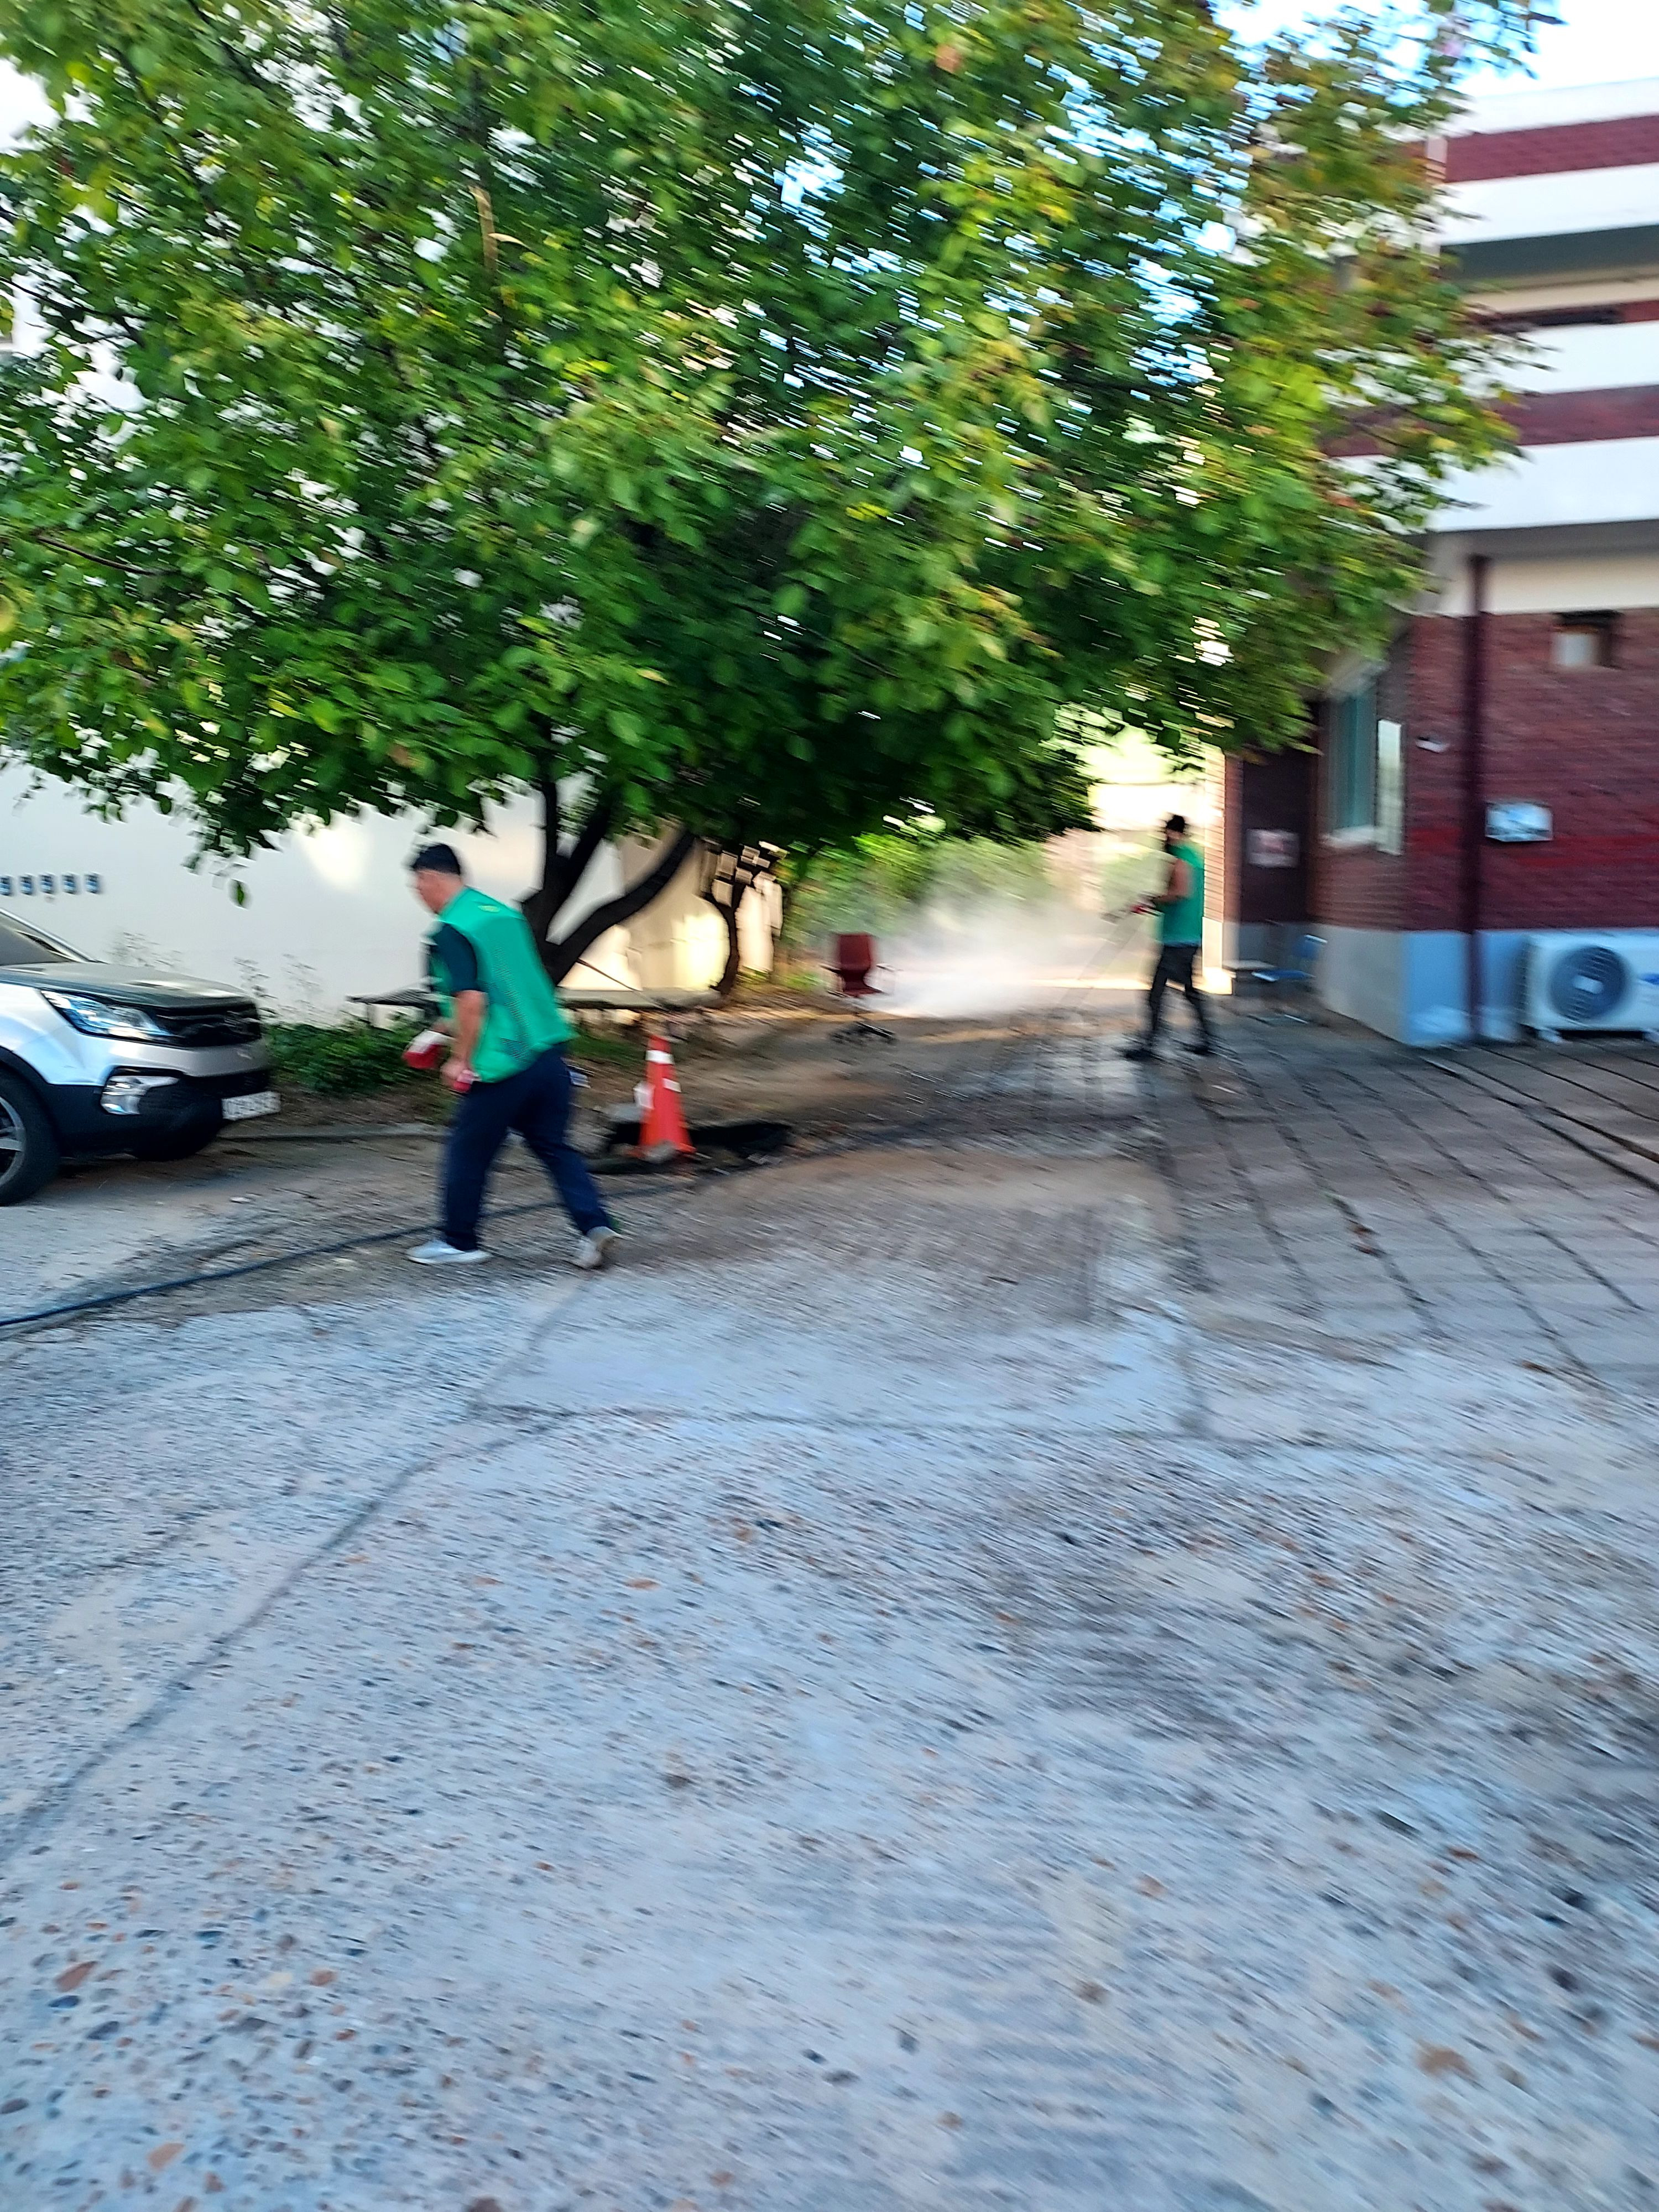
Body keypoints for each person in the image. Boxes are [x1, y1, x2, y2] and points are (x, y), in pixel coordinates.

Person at [405, 843, 619, 1269]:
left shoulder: (451, 930)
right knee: (554, 1146)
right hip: (547, 1050)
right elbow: (507, 991)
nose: (417, 893)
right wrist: (436, 1033)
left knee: (468, 1151)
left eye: (417, 884)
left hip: (503, 1062)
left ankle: (459, 1242)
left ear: (431, 878)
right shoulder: (502, 917)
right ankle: (594, 1225)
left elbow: (472, 999)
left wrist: (460, 1059)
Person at [1120, 813, 1213, 1060]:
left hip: (1178, 938)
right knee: (1189, 990)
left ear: (1176, 833)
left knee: (1157, 992)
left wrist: (1152, 899)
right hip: (1189, 935)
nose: (1164, 837)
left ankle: (1150, 1046)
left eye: (1166, 832)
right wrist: (1153, 903)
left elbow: (1180, 892)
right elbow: (1181, 896)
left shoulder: (1181, 859)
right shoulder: (1195, 857)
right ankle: (1208, 1040)